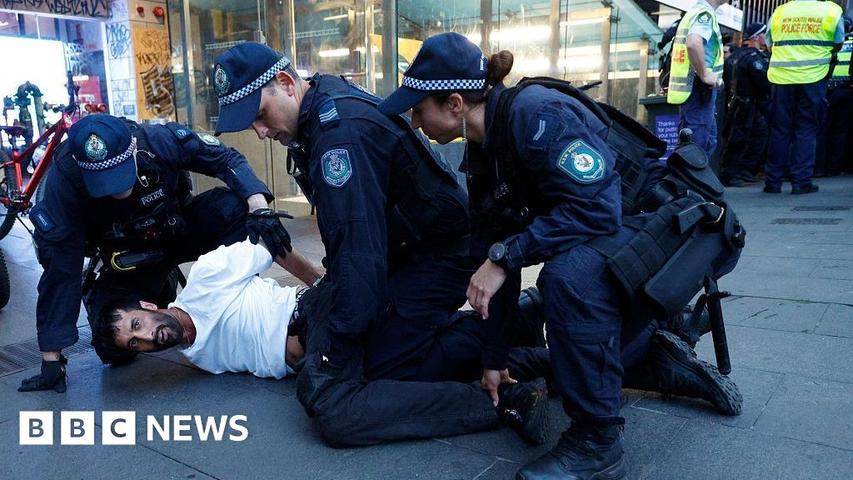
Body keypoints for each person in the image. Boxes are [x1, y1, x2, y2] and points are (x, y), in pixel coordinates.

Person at [379, 32, 742, 480]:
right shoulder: (483, 151)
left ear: (454, 103)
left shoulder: (535, 116)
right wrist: (494, 359)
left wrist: (506, 255)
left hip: (680, 227)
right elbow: (494, 260)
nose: (415, 122)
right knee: (550, 291)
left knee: (569, 280)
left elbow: (598, 209)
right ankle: (653, 355)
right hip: (627, 238)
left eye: (419, 110)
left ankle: (598, 443)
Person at [18, 114, 320, 394]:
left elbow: (225, 159)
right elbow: (61, 270)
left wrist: (260, 207)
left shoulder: (157, 139)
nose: (116, 190)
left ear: (133, 147)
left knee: (236, 209)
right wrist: (51, 357)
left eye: (121, 176)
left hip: (178, 227)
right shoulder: (64, 183)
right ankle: (153, 301)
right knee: (111, 347)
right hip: (129, 258)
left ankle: (241, 298)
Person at [763, 0, 845, 194]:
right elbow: (838, 42)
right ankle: (801, 182)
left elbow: (768, 43)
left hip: (781, 77)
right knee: (806, 129)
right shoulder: (832, 11)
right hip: (813, 77)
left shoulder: (781, 11)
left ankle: (772, 182)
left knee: (779, 129)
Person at [667, 0, 728, 159]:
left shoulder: (696, 12)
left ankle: (689, 182)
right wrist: (705, 75)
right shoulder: (704, 14)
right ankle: (684, 183)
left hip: (695, 91)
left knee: (706, 143)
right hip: (698, 90)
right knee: (696, 148)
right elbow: (693, 43)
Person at [720, 23, 771, 186]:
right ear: (756, 37)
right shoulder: (754, 58)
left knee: (736, 137)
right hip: (748, 105)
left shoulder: (733, 57)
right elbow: (764, 84)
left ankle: (736, 171)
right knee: (751, 136)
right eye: (764, 34)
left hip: (734, 104)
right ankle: (737, 172)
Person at [816, 15, 853, 177]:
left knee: (822, 129)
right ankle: (834, 168)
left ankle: (819, 168)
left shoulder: (827, 41)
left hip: (826, 88)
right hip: (848, 90)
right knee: (841, 131)